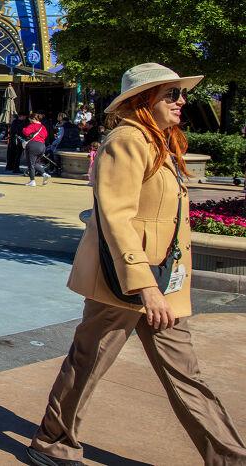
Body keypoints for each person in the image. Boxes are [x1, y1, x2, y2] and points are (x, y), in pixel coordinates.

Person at [27, 63, 246, 466]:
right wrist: (144, 286)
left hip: (161, 283)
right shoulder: (127, 140)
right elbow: (116, 217)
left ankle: (230, 458)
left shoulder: (161, 142)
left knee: (186, 375)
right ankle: (53, 441)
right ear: (144, 100)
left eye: (181, 94)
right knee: (88, 363)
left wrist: (159, 287)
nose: (182, 102)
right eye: (171, 94)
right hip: (125, 282)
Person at [22, 112, 50, 186]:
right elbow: (46, 135)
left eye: (30, 119)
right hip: (42, 146)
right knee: (35, 163)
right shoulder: (43, 127)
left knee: (31, 164)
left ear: (34, 119)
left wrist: (24, 128)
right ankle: (44, 174)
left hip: (33, 145)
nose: (30, 121)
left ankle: (32, 181)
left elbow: (26, 132)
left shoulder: (32, 125)